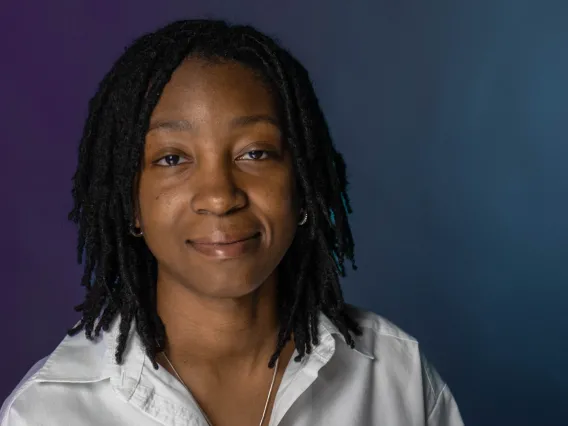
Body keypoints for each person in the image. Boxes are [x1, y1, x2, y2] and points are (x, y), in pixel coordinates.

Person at [0, 19, 464, 426]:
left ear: (301, 184)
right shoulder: (48, 411)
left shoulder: (393, 376)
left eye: (255, 153)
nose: (220, 196)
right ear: (132, 204)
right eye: (172, 158)